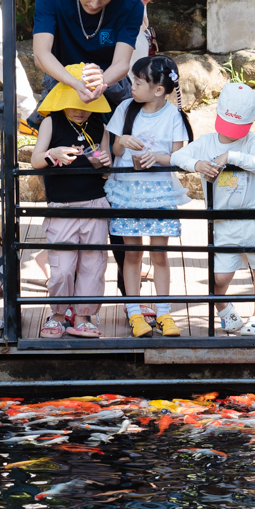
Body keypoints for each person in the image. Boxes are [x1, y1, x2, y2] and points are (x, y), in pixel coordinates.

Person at [172, 81, 255, 336]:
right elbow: (177, 157)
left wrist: (231, 157)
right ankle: (224, 309)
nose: (233, 134)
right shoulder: (206, 142)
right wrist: (198, 164)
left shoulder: (252, 142)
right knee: (220, 276)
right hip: (225, 221)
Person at [105, 56, 191, 338]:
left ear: (158, 90)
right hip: (128, 192)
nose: (132, 86)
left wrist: (156, 158)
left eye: (138, 82)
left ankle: (164, 312)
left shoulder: (173, 116)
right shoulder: (125, 108)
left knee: (159, 254)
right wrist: (122, 141)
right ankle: (135, 313)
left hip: (159, 193)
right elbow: (115, 151)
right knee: (132, 254)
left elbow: (178, 157)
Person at [30, 82, 112, 339]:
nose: (80, 110)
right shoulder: (51, 122)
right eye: (74, 105)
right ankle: (57, 314)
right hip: (61, 205)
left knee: (93, 265)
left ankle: (83, 317)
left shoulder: (99, 125)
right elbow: (35, 160)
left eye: (86, 105)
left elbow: (106, 170)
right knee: (62, 266)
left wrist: (104, 163)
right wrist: (52, 153)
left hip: (95, 202)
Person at [31, 0, 146, 126]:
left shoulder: (131, 5)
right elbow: (41, 55)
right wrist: (75, 83)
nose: (94, 3)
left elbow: (121, 63)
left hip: (107, 78)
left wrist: (99, 83)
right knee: (53, 132)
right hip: (62, 76)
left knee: (128, 128)